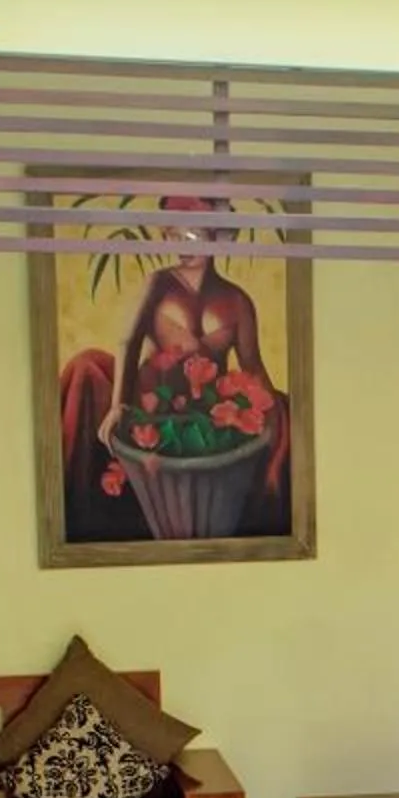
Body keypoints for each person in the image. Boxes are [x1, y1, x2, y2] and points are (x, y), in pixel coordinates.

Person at [56, 195, 293, 542]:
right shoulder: (158, 283)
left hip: (203, 413)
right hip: (147, 404)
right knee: (85, 368)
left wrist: (269, 415)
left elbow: (252, 367)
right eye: (172, 236)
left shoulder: (238, 301)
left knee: (286, 414)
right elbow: (127, 341)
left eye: (193, 234)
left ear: (216, 236)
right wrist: (120, 404)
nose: (182, 246)